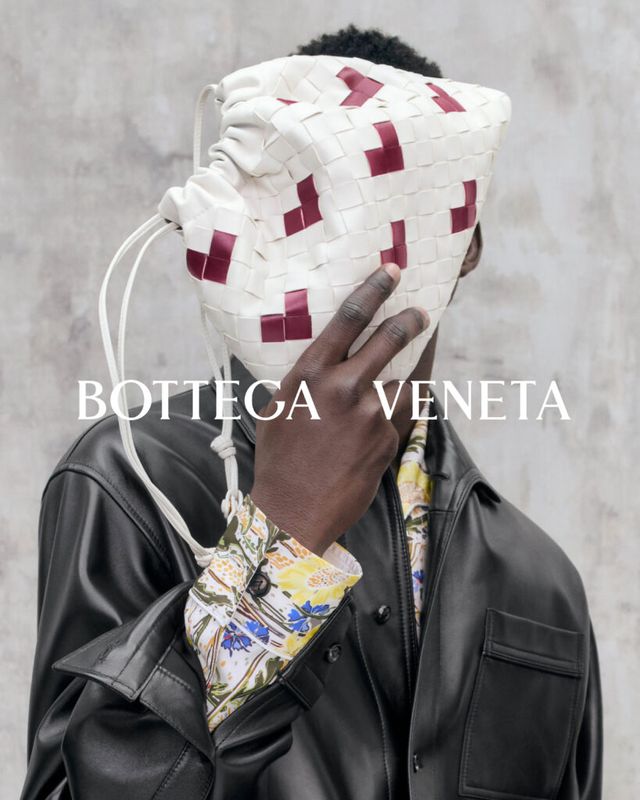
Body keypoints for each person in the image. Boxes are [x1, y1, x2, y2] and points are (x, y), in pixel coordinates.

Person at [21, 26, 602, 800]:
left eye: (381, 194)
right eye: (302, 198)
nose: (334, 240)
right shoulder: (133, 483)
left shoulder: (542, 583)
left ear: (464, 239)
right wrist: (277, 548)